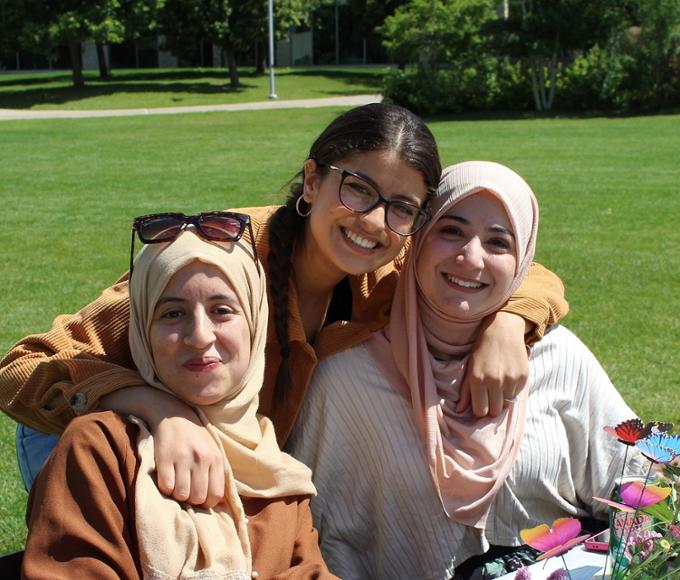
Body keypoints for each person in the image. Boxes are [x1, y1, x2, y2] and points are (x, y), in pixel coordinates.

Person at [1, 104, 567, 504]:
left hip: (227, 448)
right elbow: (21, 368)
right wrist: (154, 406)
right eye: (358, 188)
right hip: (90, 429)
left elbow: (518, 269)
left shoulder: (390, 270)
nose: (373, 222)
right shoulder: (216, 257)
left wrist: (509, 323)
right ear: (312, 179)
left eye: (402, 206)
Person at [287, 161, 642, 580]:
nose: (470, 258)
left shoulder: (558, 358)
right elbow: (310, 530)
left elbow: (640, 489)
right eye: (450, 231)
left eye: (498, 242)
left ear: (523, 258)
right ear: (415, 240)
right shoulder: (345, 377)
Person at [23, 226, 335, 579]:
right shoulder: (99, 448)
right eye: (172, 314)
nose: (200, 336)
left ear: (255, 324)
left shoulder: (278, 477)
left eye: (222, 310)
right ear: (142, 331)